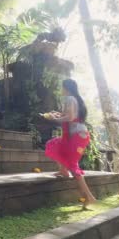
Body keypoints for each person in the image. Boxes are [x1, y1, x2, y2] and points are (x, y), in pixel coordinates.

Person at [43, 79, 97, 208]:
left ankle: (89, 196)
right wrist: (56, 114)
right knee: (55, 145)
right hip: (76, 136)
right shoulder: (73, 99)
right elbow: (69, 115)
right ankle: (63, 171)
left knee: (73, 165)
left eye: (62, 87)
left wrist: (55, 118)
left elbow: (70, 118)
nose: (61, 90)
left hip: (78, 136)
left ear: (66, 88)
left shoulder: (70, 99)